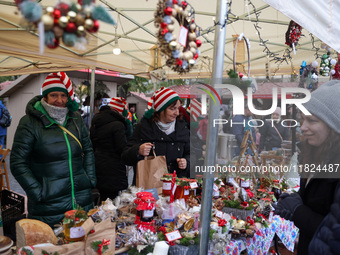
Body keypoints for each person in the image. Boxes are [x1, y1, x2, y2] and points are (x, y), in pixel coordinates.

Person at [10, 72, 96, 227]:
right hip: (48, 206)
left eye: (63, 96)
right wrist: (38, 192)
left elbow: (88, 149)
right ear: (45, 96)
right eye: (54, 95)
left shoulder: (75, 118)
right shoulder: (29, 123)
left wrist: (89, 179)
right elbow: (17, 162)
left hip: (80, 200)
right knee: (51, 249)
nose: (60, 100)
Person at [273, 80, 340, 255]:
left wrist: (298, 211)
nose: (303, 127)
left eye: (312, 120)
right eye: (303, 119)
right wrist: (294, 201)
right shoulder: (318, 155)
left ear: (334, 126)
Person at [122, 87, 190, 180]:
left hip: (175, 186)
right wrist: (138, 150)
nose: (177, 113)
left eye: (178, 108)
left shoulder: (183, 128)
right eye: (172, 109)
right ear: (161, 109)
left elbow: (191, 153)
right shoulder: (144, 127)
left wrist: (187, 162)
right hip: (148, 187)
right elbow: (125, 156)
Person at [90, 97, 131, 200]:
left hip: (98, 165)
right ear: (118, 111)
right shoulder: (118, 125)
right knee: (112, 201)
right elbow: (122, 148)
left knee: (103, 198)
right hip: (114, 169)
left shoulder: (96, 122)